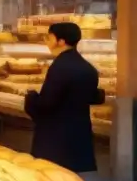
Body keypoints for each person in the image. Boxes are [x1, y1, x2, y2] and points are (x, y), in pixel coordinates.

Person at [24, 22, 103, 172]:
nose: (46, 42)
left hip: (56, 139)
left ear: (61, 41)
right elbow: (91, 96)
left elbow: (47, 103)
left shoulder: (59, 67)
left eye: (49, 38)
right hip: (79, 133)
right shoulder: (88, 67)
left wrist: (31, 97)